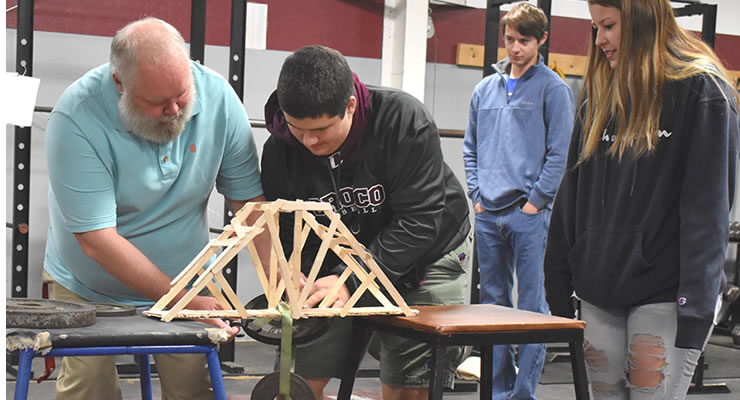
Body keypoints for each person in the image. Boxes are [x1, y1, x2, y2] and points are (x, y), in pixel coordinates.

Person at [43, 17, 267, 400]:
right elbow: (97, 240)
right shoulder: (76, 117)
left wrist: (278, 278)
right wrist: (184, 301)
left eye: (181, 94)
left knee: (193, 390)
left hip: (186, 277)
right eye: (158, 102)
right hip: (89, 285)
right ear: (119, 83)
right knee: (89, 390)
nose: (175, 109)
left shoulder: (218, 98)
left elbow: (249, 205)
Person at [544, 1, 740, 399]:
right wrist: (557, 282)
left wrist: (696, 307)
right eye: (596, 28)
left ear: (642, 20)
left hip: (665, 293)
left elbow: (707, 211)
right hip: (600, 290)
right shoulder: (600, 94)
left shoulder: (702, 91)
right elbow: (572, 193)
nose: (600, 40)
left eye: (609, 26)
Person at [261, 45, 472, 400]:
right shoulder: (280, 149)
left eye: (321, 129)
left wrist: (350, 279)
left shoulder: (402, 120)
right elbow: (292, 231)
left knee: (409, 384)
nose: (309, 141)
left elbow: (420, 220)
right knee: (294, 384)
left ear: (350, 106)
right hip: (337, 260)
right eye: (298, 129)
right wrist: (298, 275)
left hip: (425, 254)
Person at [462, 3, 574, 399]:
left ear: (541, 39)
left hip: (527, 213)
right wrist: (476, 195)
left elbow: (559, 153)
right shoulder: (484, 90)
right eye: (510, 39)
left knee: (530, 307)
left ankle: (523, 392)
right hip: (488, 212)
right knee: (491, 304)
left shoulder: (553, 89)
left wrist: (536, 202)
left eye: (524, 41)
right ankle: (496, 390)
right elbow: (470, 146)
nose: (515, 48)